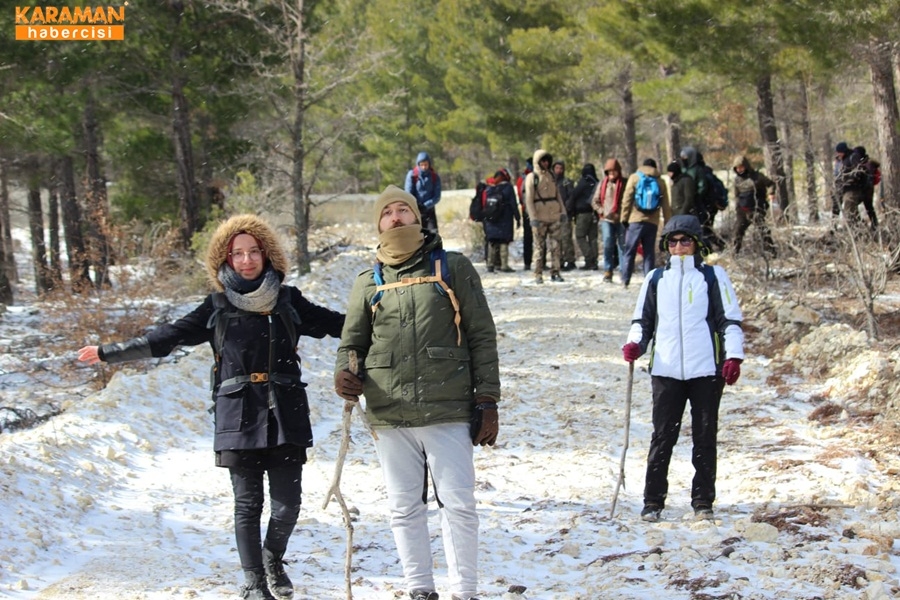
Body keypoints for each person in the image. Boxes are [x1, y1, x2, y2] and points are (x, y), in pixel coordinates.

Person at [76, 214, 345, 600]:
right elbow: (165, 338)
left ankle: (272, 559)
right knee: (248, 505)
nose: (247, 260)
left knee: (288, 506)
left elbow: (339, 325)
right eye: (238, 253)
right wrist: (109, 352)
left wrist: (386, 318)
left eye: (255, 252)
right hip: (238, 415)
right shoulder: (216, 306)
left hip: (285, 412)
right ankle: (254, 584)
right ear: (226, 258)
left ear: (268, 256)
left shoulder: (289, 301)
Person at [333, 185, 500, 600]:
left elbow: (481, 334)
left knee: (458, 504)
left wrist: (487, 400)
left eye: (402, 210)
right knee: (404, 507)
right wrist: (343, 372)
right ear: (379, 223)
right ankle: (419, 589)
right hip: (390, 411)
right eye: (387, 212)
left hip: (448, 406)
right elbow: (352, 343)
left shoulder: (454, 267)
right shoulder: (367, 281)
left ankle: (465, 591)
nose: (395, 217)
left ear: (417, 218)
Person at [622, 214, 744, 523]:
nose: (678, 246)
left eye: (685, 241)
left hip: (705, 370)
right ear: (665, 245)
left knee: (704, 436)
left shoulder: (713, 277)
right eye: (672, 241)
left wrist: (733, 356)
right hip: (665, 369)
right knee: (663, 435)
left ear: (697, 244)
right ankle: (653, 501)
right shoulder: (655, 279)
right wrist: (636, 343)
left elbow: (728, 319)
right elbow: (643, 320)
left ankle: (702, 500)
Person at [619, 158, 671, 289]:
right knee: (649, 253)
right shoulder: (660, 181)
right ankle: (649, 282)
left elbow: (627, 199)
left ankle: (625, 280)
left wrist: (624, 218)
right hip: (652, 222)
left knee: (630, 250)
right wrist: (668, 224)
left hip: (635, 220)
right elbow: (665, 205)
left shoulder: (635, 178)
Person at [524, 149, 567, 284]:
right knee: (539, 247)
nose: (546, 163)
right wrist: (533, 218)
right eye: (543, 160)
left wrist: (563, 211)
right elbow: (529, 199)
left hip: (554, 216)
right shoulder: (532, 177)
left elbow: (558, 196)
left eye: (547, 160)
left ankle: (556, 272)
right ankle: (538, 273)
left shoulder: (552, 176)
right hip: (539, 217)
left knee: (556, 246)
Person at [732, 155, 777, 257]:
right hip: (742, 210)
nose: (739, 170)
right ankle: (734, 254)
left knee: (763, 231)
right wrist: (737, 208)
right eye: (737, 168)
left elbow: (770, 184)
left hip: (756, 208)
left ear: (746, 166)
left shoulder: (757, 177)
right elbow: (736, 195)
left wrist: (771, 193)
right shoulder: (737, 180)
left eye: (741, 167)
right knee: (738, 232)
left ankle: (771, 252)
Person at [592, 158, 627, 283]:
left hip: (622, 220)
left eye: (614, 171)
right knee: (607, 245)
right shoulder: (602, 184)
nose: (612, 173)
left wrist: (623, 214)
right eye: (609, 171)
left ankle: (624, 272)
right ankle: (608, 271)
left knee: (622, 246)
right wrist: (602, 211)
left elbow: (629, 201)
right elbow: (595, 201)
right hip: (606, 220)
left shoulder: (624, 184)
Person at [482, 168, 521, 272]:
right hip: (505, 219)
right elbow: (513, 204)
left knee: (492, 241)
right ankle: (504, 265)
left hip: (491, 220)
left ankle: (490, 264)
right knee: (504, 241)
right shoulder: (508, 188)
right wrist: (517, 218)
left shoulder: (490, 188)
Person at [569, 163, 600, 270]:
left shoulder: (583, 181)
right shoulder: (597, 182)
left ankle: (589, 258)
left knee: (580, 236)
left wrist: (570, 211)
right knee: (593, 238)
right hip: (594, 213)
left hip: (583, 213)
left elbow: (574, 195)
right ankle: (594, 261)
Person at [405, 151, 442, 233]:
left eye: (426, 164)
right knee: (416, 235)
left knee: (433, 234)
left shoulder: (434, 177)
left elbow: (437, 196)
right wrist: (416, 205)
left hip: (429, 210)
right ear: (418, 165)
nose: (424, 167)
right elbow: (408, 193)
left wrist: (426, 206)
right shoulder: (412, 175)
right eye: (422, 165)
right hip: (415, 210)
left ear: (429, 164)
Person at [553, 160, 577, 271]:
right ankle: (559, 261)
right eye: (557, 168)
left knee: (566, 238)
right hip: (553, 214)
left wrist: (565, 209)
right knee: (556, 239)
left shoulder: (567, 182)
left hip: (565, 214)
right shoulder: (551, 182)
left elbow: (571, 197)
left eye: (560, 168)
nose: (559, 170)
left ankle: (570, 260)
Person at [516, 158, 534, 271]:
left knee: (530, 237)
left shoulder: (521, 178)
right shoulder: (525, 178)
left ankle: (529, 262)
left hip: (527, 210)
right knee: (530, 237)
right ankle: (528, 262)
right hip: (528, 210)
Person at [832, 142, 850, 220]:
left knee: (849, 206)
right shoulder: (837, 161)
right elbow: (835, 174)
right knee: (836, 206)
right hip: (838, 186)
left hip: (847, 186)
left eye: (840, 152)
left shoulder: (849, 159)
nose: (839, 154)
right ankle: (834, 225)